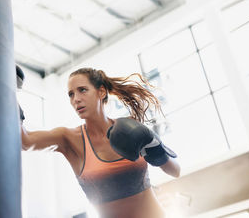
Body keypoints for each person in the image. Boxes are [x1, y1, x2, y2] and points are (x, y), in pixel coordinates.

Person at [18, 67, 180, 218]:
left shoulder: (130, 129)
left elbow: (175, 171)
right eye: (71, 94)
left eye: (82, 90)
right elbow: (25, 142)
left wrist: (154, 146)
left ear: (101, 92)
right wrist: (7, 90)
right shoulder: (68, 138)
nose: (76, 99)